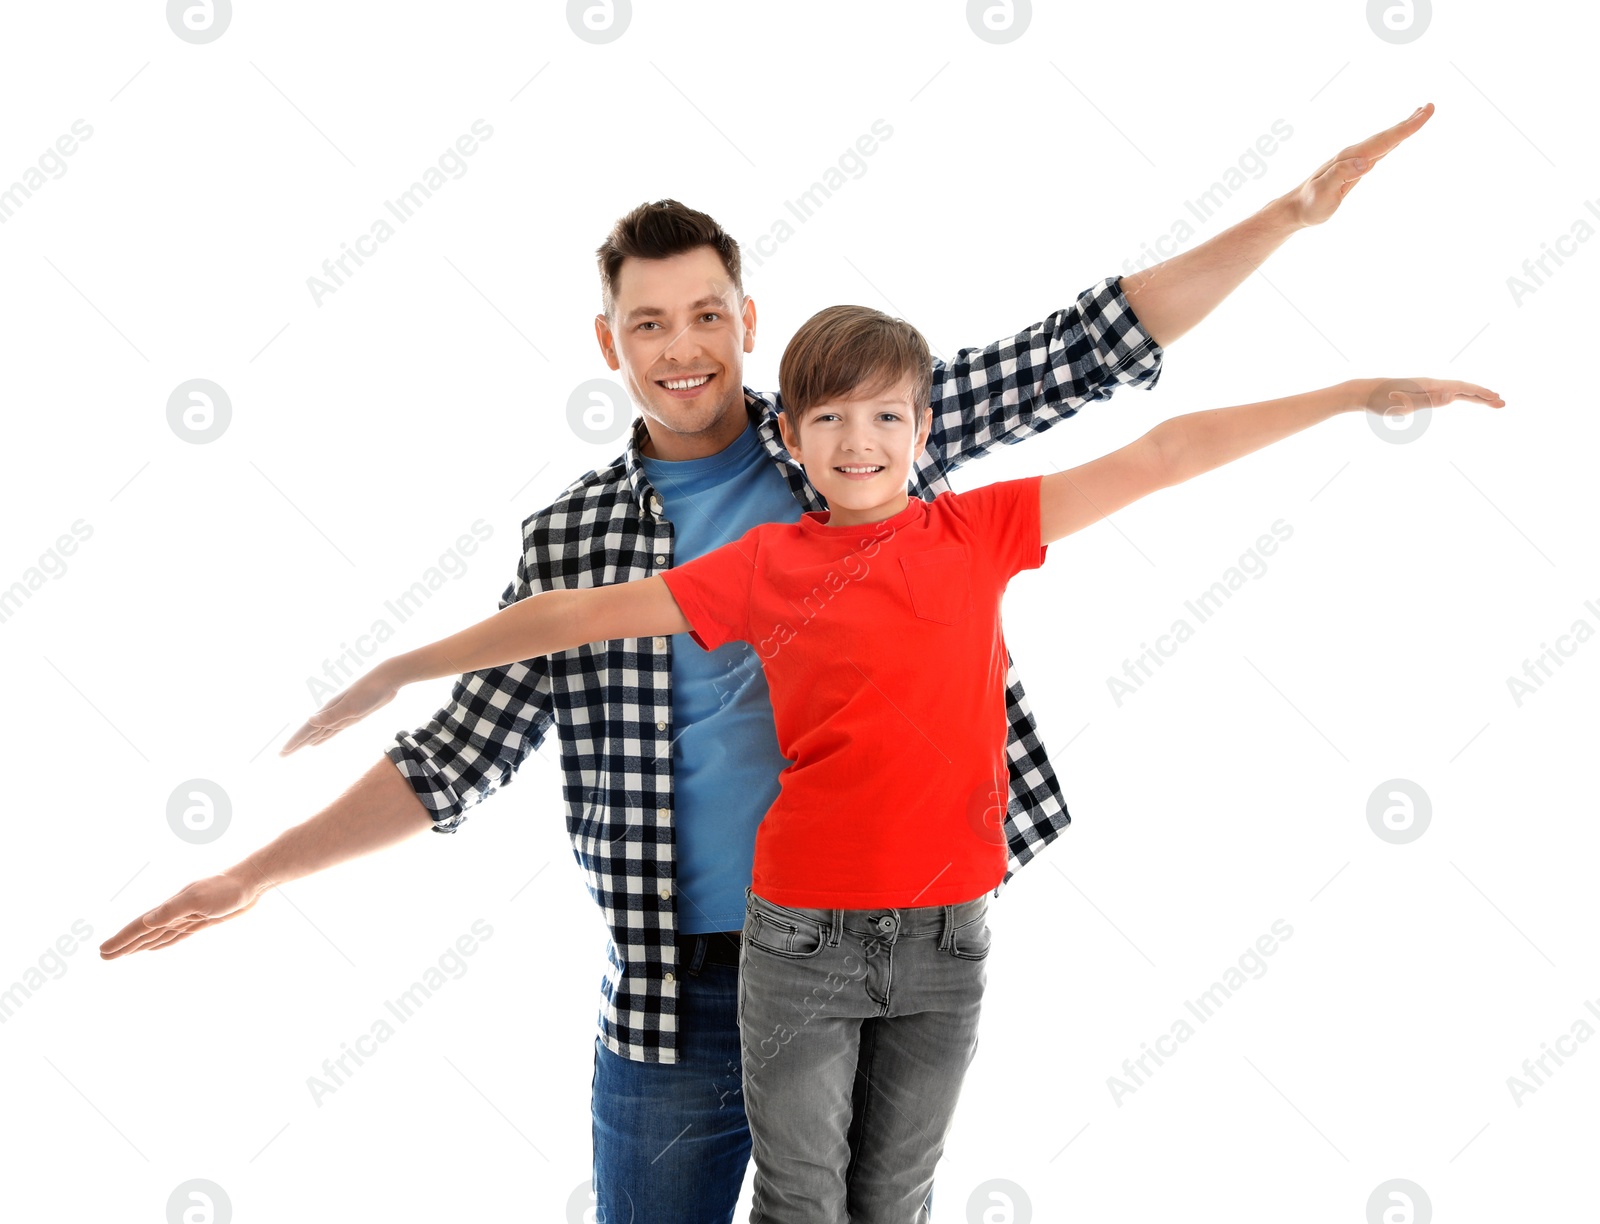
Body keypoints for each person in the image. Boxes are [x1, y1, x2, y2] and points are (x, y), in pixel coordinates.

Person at [101, 105, 1443, 1222]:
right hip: (676, 986)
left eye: (703, 315)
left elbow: (1096, 350)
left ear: (747, 318)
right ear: (609, 344)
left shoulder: (853, 439)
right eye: (647, 324)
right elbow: (462, 754)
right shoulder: (574, 538)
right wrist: (256, 873)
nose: (680, 347)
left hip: (890, 938)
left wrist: (1291, 218)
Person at [266, 301, 1501, 1220]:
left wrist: (1346, 395)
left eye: (886, 415)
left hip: (946, 937)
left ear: (919, 426)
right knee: (803, 1203)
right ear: (791, 437)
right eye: (830, 418)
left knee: (894, 1200)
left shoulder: (980, 529)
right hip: (797, 938)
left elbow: (1165, 451)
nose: (860, 440)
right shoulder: (761, 568)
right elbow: (571, 616)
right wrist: (398, 667)